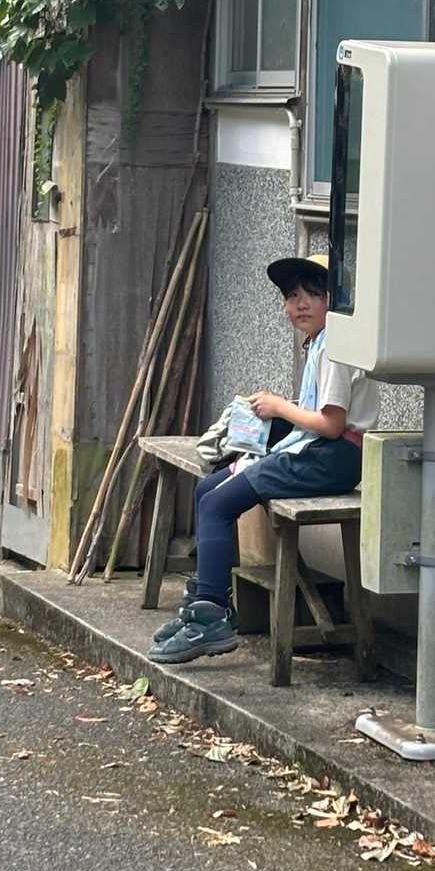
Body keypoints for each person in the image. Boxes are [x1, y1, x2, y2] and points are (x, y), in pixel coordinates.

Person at [149, 253, 380, 664]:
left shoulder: (337, 346)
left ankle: (211, 618)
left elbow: (331, 424)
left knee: (218, 505)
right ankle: (208, 600)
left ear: (336, 299)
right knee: (207, 489)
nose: (300, 304)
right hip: (319, 450)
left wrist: (279, 407)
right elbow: (318, 415)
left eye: (313, 294)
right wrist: (277, 409)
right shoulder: (322, 343)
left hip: (332, 456)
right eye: (292, 296)